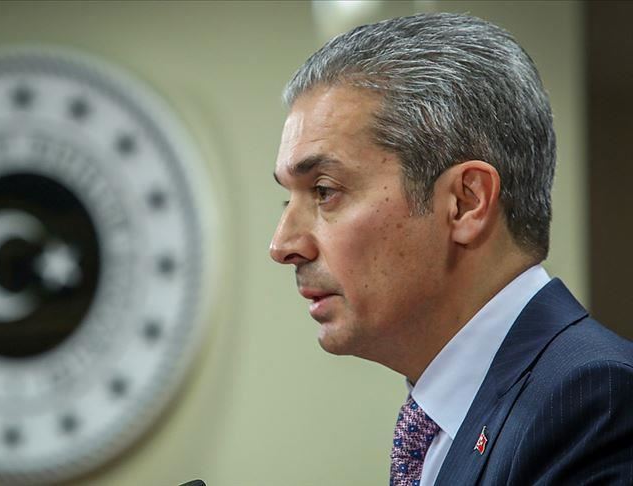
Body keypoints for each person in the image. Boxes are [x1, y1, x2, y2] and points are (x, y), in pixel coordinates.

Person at [269, 12, 633, 486]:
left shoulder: (594, 401)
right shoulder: (447, 419)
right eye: (288, 199)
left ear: (466, 202)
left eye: (324, 191)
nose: (283, 246)